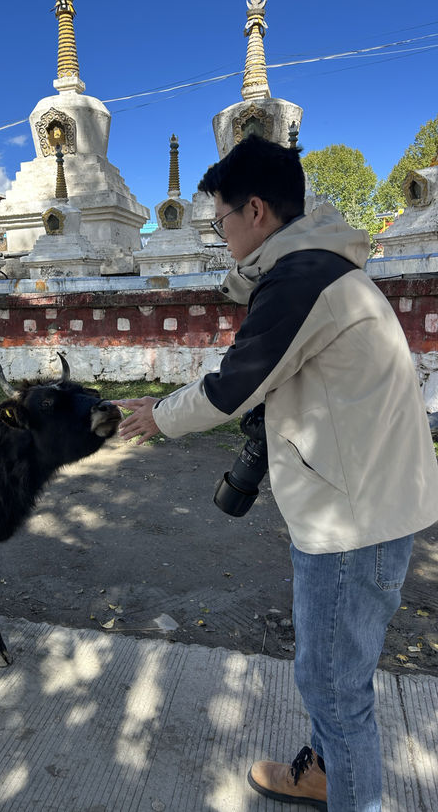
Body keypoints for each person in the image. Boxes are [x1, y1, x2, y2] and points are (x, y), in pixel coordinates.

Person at [113, 134, 438, 812]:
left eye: (221, 220)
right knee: (336, 677)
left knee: (335, 688)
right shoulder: (318, 265)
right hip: (364, 504)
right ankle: (324, 772)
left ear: (255, 210)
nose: (220, 234)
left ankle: (354, 796)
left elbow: (233, 385)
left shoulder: (300, 278)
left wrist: (155, 414)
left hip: (353, 522)